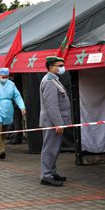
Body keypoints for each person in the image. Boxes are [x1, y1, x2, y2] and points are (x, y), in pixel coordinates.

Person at [39, 56, 71, 187]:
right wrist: (58, 123)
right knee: (49, 149)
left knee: (55, 149)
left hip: (56, 122)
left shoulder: (55, 80)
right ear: (51, 67)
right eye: (59, 65)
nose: (62, 67)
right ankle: (46, 176)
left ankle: (52, 172)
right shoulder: (49, 81)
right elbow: (51, 105)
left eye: (62, 65)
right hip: (52, 122)